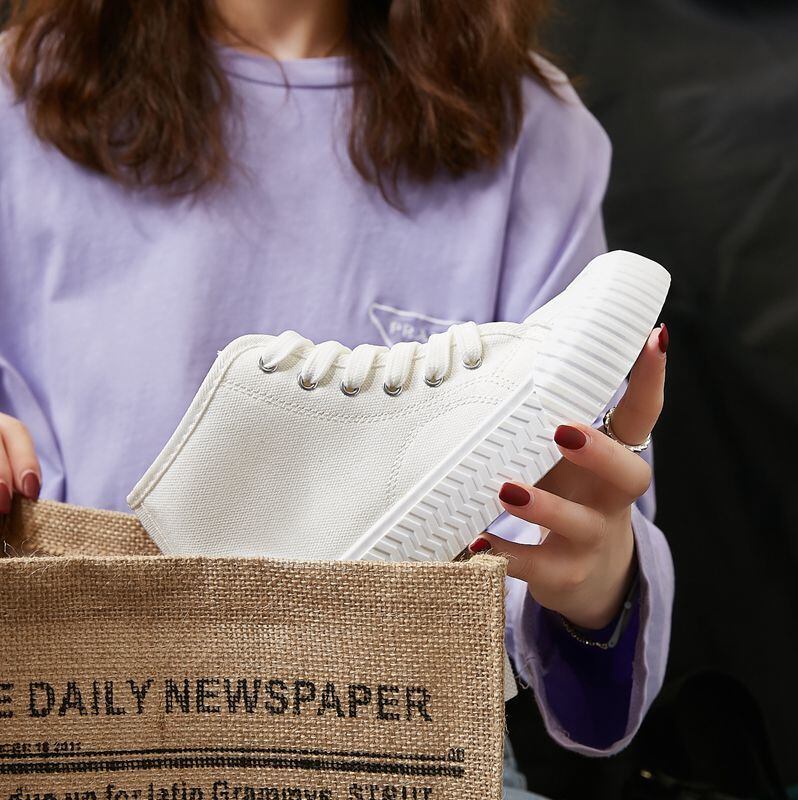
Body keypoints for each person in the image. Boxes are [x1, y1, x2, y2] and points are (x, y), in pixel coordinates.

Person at [0, 1, 673, 796]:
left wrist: (596, 587)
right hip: (65, 721)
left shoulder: (528, 126)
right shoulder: (14, 100)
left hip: (401, 741)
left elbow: (595, 689)